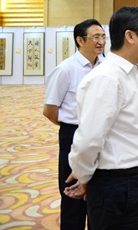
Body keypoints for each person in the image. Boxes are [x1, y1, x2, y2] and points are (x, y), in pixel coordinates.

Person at [64, 6, 138, 230]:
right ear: (130, 36)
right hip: (118, 185)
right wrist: (84, 176)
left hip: (135, 182)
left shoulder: (126, 72)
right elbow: (89, 138)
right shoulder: (107, 77)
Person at [43, 19, 106, 230]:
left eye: (103, 36)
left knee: (99, 191)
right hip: (73, 134)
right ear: (80, 40)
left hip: (102, 134)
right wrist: (74, 126)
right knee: (73, 193)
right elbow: (49, 110)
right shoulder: (65, 69)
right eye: (95, 37)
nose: (101, 41)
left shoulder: (106, 66)